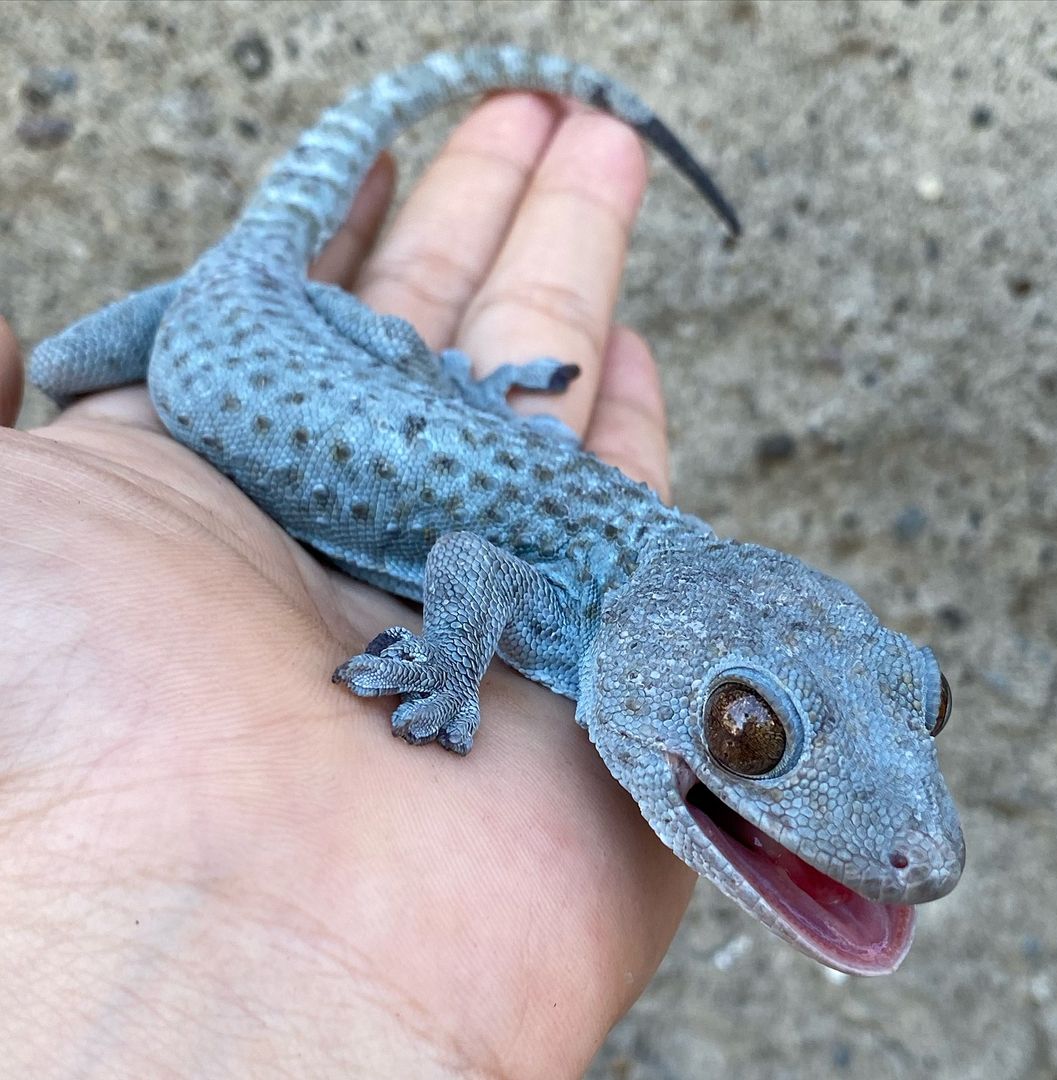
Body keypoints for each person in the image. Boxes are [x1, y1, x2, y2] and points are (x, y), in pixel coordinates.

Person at [0, 92, 696, 1077]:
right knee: (67, 363)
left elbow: (475, 561)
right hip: (201, 315)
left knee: (68, 367)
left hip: (280, 334)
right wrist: (449, 672)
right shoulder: (552, 595)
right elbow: (467, 563)